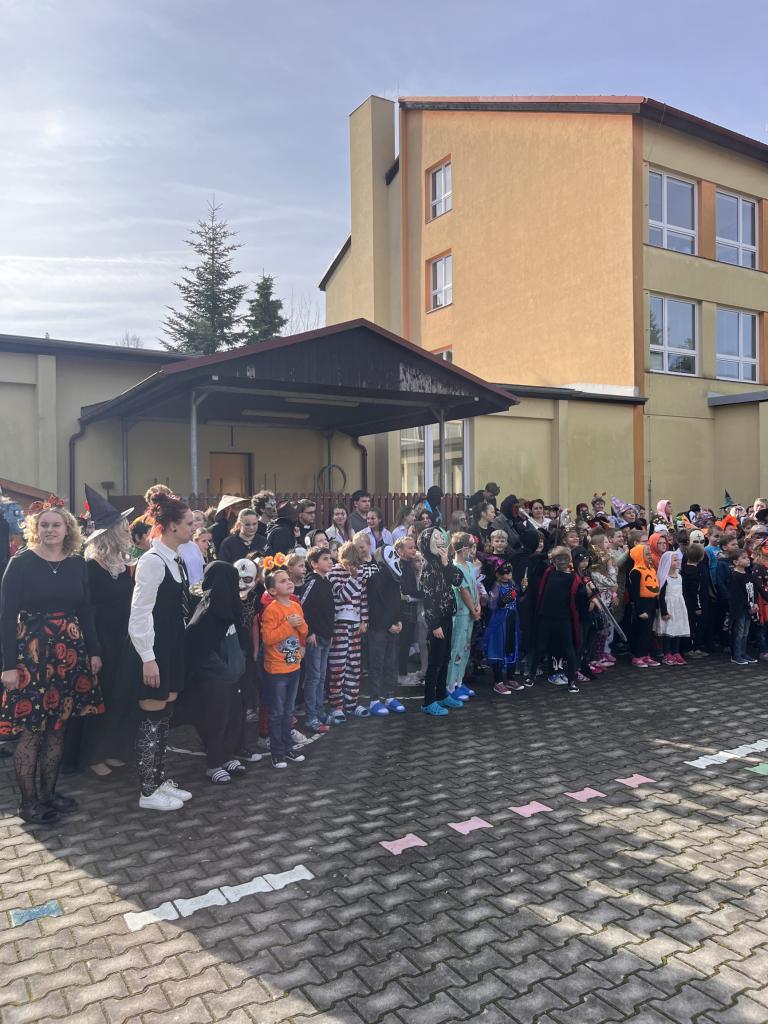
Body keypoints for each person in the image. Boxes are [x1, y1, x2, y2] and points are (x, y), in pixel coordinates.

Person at [0, 495, 103, 825]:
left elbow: (86, 610)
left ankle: (48, 794)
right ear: (35, 528)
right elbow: (6, 617)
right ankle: (28, 803)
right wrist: (8, 666)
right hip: (31, 654)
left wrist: (94, 651)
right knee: (32, 730)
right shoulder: (21, 563)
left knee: (58, 727)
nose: (49, 530)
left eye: (56, 525)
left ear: (67, 529)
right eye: (43, 525)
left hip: (69, 652)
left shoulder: (76, 564)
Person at [127, 487, 195, 812]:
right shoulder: (152, 562)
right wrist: (148, 658)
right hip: (155, 651)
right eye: (189, 523)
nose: (193, 528)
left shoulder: (175, 559)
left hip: (173, 646)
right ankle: (147, 790)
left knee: (164, 716)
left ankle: (157, 779)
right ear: (171, 526)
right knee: (151, 720)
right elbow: (139, 614)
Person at [71, 486, 135, 776]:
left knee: (119, 696)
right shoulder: (90, 567)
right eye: (124, 528)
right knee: (100, 698)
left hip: (122, 638)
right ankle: (92, 756)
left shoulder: (122, 564)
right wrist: (93, 648)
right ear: (112, 533)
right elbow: (86, 610)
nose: (128, 532)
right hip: (101, 639)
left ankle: (110, 749)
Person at [185, 561, 249, 784]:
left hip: (232, 677)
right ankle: (213, 764)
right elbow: (198, 647)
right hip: (214, 680)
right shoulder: (208, 612)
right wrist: (223, 671)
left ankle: (227, 756)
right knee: (215, 720)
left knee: (233, 718)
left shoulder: (229, 607)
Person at [261, 567, 309, 768]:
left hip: (293, 667)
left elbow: (304, 631)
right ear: (272, 591)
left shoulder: (296, 606)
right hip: (277, 670)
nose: (288, 582)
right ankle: (277, 752)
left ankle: (288, 748)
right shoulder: (271, 610)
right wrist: (289, 624)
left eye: (288, 579)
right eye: (282, 581)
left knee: (288, 712)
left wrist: (299, 625)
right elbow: (268, 638)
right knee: (277, 712)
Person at [417, 526, 466, 716]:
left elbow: (458, 580)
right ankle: (429, 701)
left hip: (447, 616)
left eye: (441, 536)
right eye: (435, 537)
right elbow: (428, 598)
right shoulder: (428, 566)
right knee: (435, 662)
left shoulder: (442, 562)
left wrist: (447, 563)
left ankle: (442, 695)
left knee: (445, 658)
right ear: (426, 543)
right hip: (436, 621)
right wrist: (434, 624)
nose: (440, 540)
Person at [525, 546, 582, 693]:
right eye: (558, 559)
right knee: (540, 647)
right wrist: (548, 554)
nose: (562, 562)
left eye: (565, 559)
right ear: (553, 560)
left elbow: (578, 597)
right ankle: (531, 675)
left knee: (568, 649)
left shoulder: (574, 577)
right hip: (546, 617)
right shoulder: (549, 572)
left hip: (563, 618)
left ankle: (572, 681)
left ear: (570, 560)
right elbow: (533, 559)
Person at [327, 541, 368, 721]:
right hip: (339, 625)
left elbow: (363, 598)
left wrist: (364, 620)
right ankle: (336, 705)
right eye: (350, 563)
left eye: (355, 563)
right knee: (338, 667)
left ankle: (351, 703)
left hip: (355, 625)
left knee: (354, 666)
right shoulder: (333, 573)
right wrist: (353, 578)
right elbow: (343, 596)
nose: (353, 566)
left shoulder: (360, 572)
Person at [366, 545, 407, 717]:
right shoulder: (374, 580)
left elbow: (398, 603)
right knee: (377, 663)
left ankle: (390, 696)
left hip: (393, 628)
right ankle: (374, 699)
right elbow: (374, 607)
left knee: (391, 663)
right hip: (378, 629)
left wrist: (399, 621)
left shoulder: (395, 580)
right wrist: (387, 624)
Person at [301, 546, 335, 733]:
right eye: (325, 559)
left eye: (330, 558)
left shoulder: (327, 583)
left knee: (321, 677)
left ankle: (320, 711)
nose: (330, 561)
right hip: (314, 637)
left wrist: (330, 632)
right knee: (313, 678)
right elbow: (303, 607)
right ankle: (310, 716)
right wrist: (309, 632)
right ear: (314, 564)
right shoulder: (312, 582)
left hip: (326, 636)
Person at [446, 532, 482, 701]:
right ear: (463, 548)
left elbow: (474, 587)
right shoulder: (455, 568)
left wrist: (478, 605)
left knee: (466, 648)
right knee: (457, 649)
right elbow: (463, 590)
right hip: (461, 613)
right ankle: (450, 685)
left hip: (470, 612)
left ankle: (459, 681)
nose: (473, 550)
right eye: (471, 547)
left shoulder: (469, 565)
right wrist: (473, 609)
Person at [483, 563, 521, 695]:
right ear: (497, 574)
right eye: (504, 572)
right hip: (500, 621)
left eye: (509, 572)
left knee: (512, 646)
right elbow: (493, 604)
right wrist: (509, 596)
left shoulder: (512, 583)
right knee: (498, 648)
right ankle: (498, 682)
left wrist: (522, 588)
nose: (508, 575)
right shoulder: (497, 586)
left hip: (512, 619)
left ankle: (510, 678)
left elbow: (519, 597)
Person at [628, 543, 661, 669]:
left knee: (649, 632)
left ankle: (645, 654)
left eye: (649, 553)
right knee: (642, 631)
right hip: (642, 604)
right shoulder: (636, 572)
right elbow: (635, 593)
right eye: (646, 554)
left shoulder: (651, 569)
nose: (650, 556)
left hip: (651, 602)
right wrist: (640, 610)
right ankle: (637, 656)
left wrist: (656, 606)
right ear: (639, 556)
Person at [654, 550, 690, 665]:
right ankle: (667, 653)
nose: (678, 562)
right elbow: (661, 597)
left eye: (678, 560)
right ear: (667, 562)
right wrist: (664, 612)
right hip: (669, 607)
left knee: (677, 629)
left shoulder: (679, 577)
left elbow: (682, 593)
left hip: (678, 607)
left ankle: (676, 651)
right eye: (675, 560)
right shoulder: (665, 579)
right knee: (668, 630)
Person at [394, 535, 421, 685]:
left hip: (410, 608)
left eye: (414, 547)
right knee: (403, 643)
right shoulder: (400, 565)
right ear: (400, 550)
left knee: (407, 641)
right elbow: (406, 589)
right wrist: (424, 594)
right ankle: (401, 675)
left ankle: (402, 672)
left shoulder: (409, 564)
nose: (413, 550)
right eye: (410, 548)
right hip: (403, 610)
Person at [729, 549, 757, 666]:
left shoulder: (748, 574)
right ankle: (736, 655)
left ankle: (743, 653)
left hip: (749, 607)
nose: (748, 559)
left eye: (747, 557)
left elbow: (753, 590)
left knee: (745, 632)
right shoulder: (735, 576)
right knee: (739, 632)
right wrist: (748, 606)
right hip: (740, 608)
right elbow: (739, 595)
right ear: (736, 562)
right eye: (744, 558)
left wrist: (755, 603)